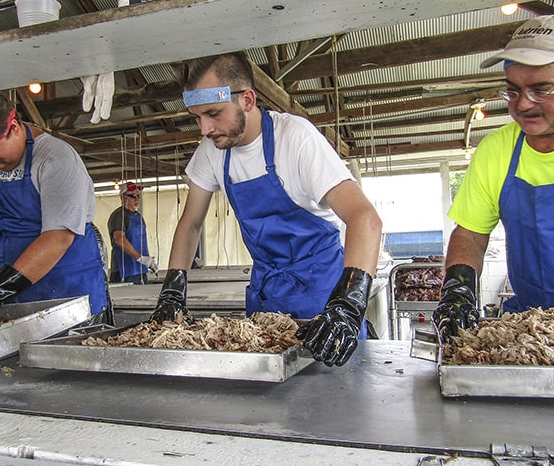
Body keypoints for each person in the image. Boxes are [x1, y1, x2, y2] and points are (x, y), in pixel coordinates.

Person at [150, 52, 382, 367]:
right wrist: (172, 292)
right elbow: (191, 224)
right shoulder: (212, 152)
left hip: (322, 295)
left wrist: (347, 305)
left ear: (247, 99)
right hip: (266, 297)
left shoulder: (295, 138)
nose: (204, 128)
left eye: (213, 113)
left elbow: (364, 218)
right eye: (197, 117)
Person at [433, 14, 554, 341]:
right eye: (513, 91)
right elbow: (471, 234)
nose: (523, 104)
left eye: (541, 90)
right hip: (531, 328)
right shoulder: (497, 150)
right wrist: (458, 290)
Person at [0, 93, 107, 322]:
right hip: (10, 289)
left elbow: (57, 238)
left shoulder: (55, 159)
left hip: (66, 289)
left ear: (13, 127)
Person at [107, 181, 158, 284]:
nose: (137, 199)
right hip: (124, 270)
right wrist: (140, 258)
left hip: (139, 269)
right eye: (133, 196)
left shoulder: (138, 216)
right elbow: (119, 238)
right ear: (123, 197)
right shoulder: (119, 216)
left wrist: (147, 261)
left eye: (138, 196)